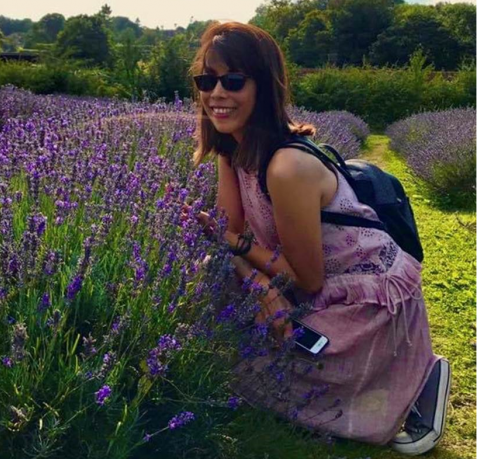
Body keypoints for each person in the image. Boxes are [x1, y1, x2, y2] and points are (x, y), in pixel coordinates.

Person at [182, 21, 451, 455]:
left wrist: (255, 271)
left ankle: (421, 378)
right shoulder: (232, 149)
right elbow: (225, 236)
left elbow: (306, 280)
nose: (216, 93)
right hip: (309, 281)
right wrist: (258, 282)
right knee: (212, 313)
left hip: (365, 302)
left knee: (263, 367)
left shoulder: (286, 166)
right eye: (206, 80)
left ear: (264, 88)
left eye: (232, 81)